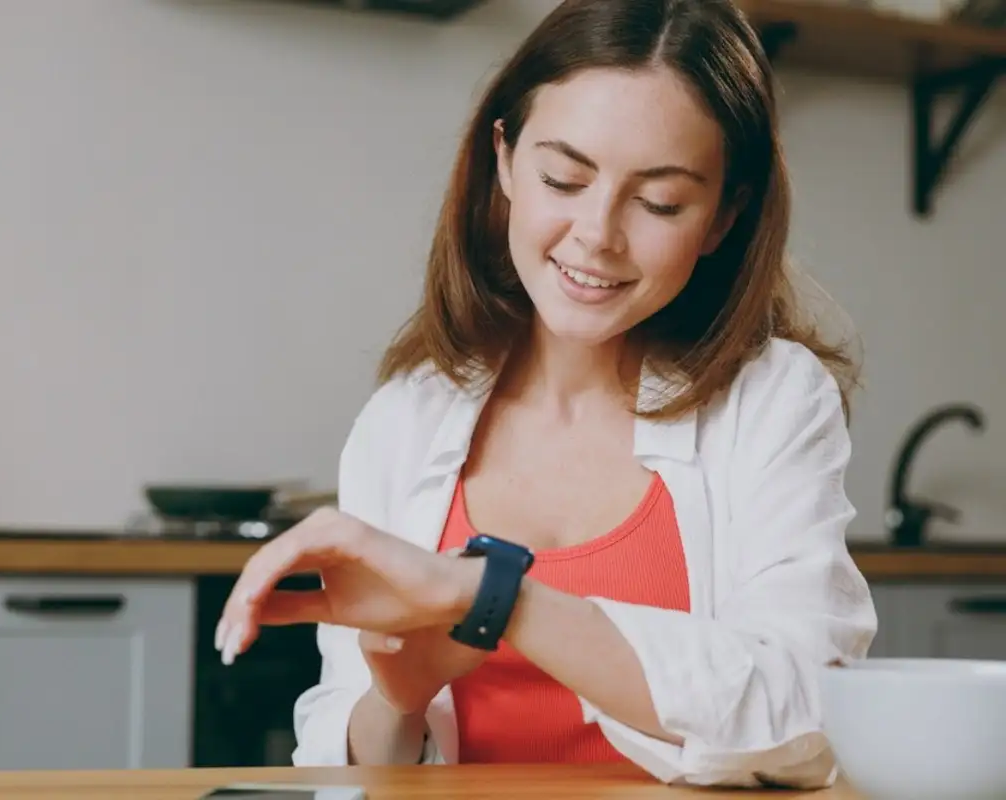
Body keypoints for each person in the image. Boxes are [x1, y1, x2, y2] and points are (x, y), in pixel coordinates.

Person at [215, 0, 877, 788]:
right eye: (563, 177)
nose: (597, 232)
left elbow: (807, 717)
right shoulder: (407, 415)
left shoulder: (771, 401)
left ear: (723, 215)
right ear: (504, 159)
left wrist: (501, 601)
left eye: (659, 201)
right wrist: (399, 696)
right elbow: (353, 761)